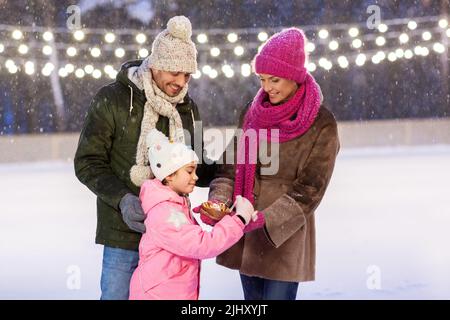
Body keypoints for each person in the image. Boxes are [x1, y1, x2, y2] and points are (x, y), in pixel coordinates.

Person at [74, 16, 215, 300]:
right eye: (175, 72)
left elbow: (196, 162)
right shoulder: (113, 99)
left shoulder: (187, 109)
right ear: (155, 63)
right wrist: (123, 200)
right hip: (122, 233)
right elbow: (88, 162)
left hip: (171, 234)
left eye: (187, 75)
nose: (181, 82)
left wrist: (230, 169)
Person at [207, 27, 340, 300]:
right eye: (262, 79)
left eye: (275, 79)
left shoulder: (321, 123)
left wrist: (268, 219)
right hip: (244, 228)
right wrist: (219, 202)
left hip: (284, 237)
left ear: (294, 76)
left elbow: (311, 188)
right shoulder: (252, 113)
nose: (267, 88)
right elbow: (229, 167)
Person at [129, 129, 256, 300]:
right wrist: (239, 219)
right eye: (189, 171)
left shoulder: (173, 204)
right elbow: (202, 245)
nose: (195, 177)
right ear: (169, 175)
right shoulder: (164, 212)